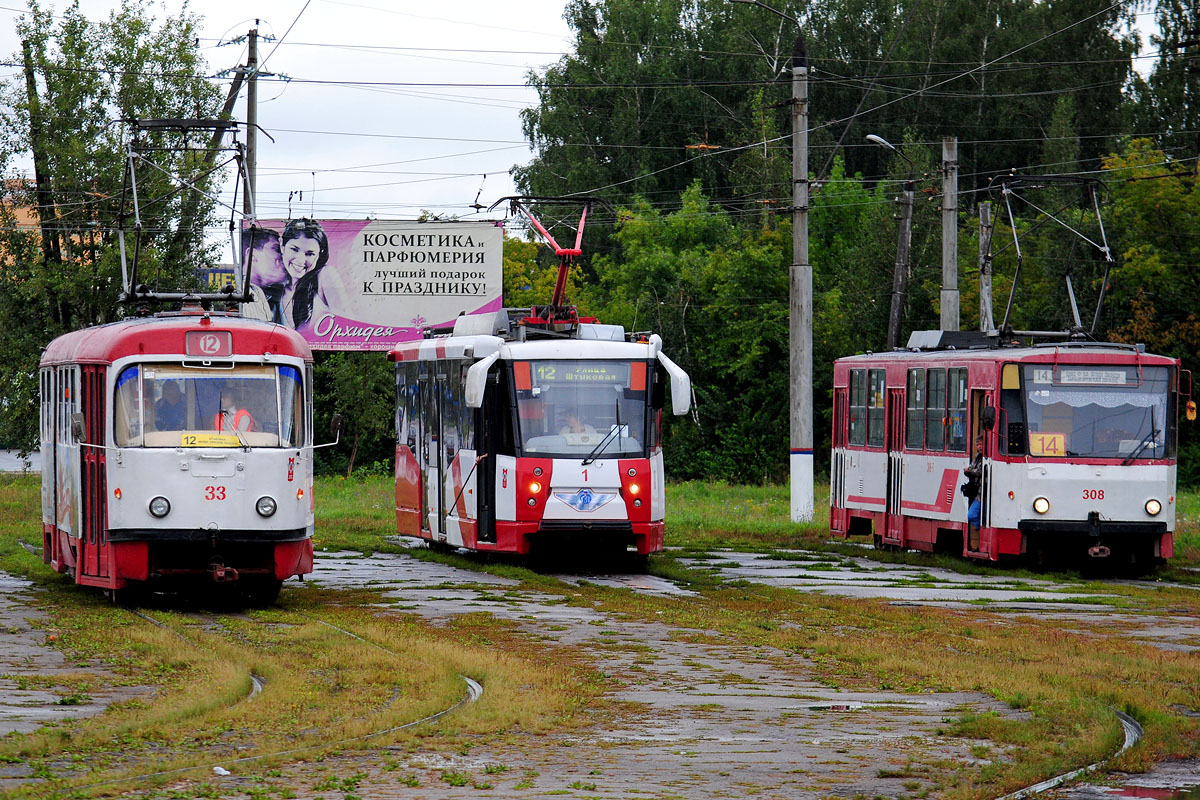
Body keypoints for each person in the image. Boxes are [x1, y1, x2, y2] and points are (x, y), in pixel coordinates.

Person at [281, 218, 329, 329]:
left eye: (310, 254)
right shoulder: (278, 291)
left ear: (319, 255)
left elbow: (347, 321)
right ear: (282, 247)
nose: (301, 260)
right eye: (294, 249)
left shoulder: (324, 275)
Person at [243, 228, 287, 323]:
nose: (283, 256)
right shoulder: (240, 294)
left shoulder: (264, 294)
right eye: (276, 249)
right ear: (252, 255)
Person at [962, 434, 984, 530]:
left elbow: (980, 472)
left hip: (984, 493)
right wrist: (967, 471)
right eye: (978, 444)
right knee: (971, 515)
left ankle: (981, 528)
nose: (979, 446)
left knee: (972, 514)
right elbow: (972, 468)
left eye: (981, 444)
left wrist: (970, 471)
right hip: (977, 492)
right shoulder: (977, 457)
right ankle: (980, 527)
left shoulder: (986, 458)